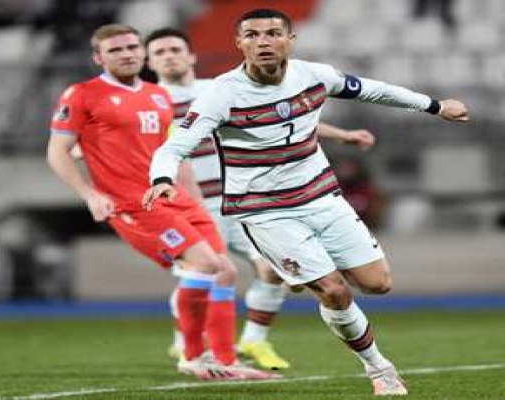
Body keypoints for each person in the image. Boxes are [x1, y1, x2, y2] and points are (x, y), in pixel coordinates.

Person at [144, 9, 468, 396]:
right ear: (239, 43)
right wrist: (162, 179)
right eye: (252, 35)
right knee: (334, 290)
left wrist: (433, 105)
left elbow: (374, 89)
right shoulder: (221, 94)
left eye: (272, 33)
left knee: (377, 284)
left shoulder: (314, 76)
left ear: (290, 40)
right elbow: (175, 145)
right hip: (264, 211)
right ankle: (379, 368)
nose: (262, 41)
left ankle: (304, 275)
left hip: (323, 199)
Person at [46, 23, 279, 381]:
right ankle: (192, 356)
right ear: (98, 58)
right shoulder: (81, 94)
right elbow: (58, 151)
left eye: (131, 47)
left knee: (226, 271)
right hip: (133, 204)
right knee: (203, 265)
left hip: (178, 198)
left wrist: (195, 200)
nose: (126, 54)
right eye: (115, 50)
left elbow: (175, 152)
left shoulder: (157, 94)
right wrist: (90, 194)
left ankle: (226, 361)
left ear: (142, 51)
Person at [144, 27, 378, 371]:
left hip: (245, 201)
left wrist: (341, 135)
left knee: (273, 270)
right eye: (160, 52)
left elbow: (287, 117)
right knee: (202, 273)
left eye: (175, 49)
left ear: (191, 55)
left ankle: (254, 340)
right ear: (150, 62)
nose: (169, 56)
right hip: (192, 204)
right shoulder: (148, 102)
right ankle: (186, 344)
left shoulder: (219, 89)